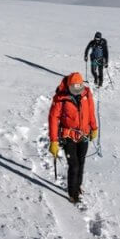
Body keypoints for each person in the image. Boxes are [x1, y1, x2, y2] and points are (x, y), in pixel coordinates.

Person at [48, 72, 98, 203]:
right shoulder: (60, 98)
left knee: (81, 162)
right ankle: (72, 192)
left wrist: (94, 128)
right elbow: (53, 119)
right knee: (74, 165)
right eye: (73, 89)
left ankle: (78, 186)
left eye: (79, 88)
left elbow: (91, 112)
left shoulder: (86, 94)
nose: (76, 91)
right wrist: (53, 141)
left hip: (84, 134)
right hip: (68, 136)